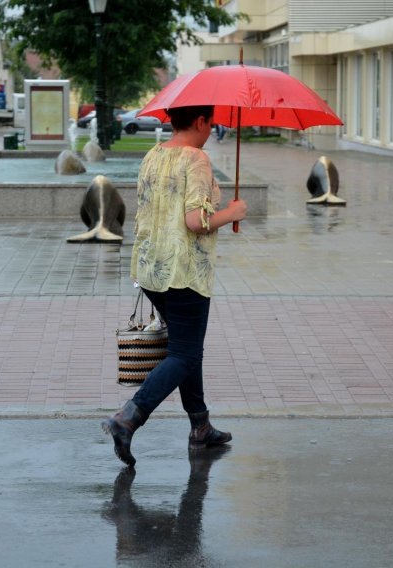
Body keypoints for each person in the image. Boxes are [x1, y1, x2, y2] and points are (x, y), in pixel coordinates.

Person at [102, 105, 248, 467]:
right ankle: (128, 418)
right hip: (184, 273)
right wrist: (233, 212)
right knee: (184, 353)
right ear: (200, 121)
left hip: (151, 269)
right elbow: (196, 221)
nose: (210, 131)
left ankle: (201, 426)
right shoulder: (195, 158)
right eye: (211, 124)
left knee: (187, 349)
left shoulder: (153, 155)